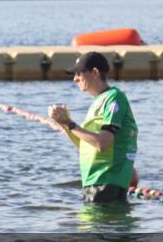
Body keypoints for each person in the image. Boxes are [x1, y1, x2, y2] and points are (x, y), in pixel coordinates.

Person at [49, 52, 139, 203]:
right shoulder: (99, 101)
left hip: (106, 183)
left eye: (79, 73)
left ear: (95, 73)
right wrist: (65, 124)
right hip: (95, 183)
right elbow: (85, 144)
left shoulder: (114, 98)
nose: (75, 78)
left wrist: (71, 124)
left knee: (94, 226)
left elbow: (102, 143)